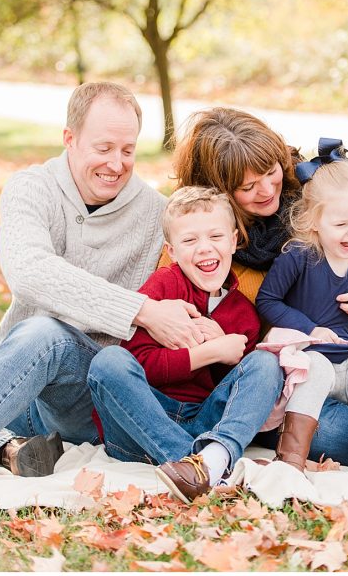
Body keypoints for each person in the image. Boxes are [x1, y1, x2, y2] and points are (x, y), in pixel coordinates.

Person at [171, 108, 348, 466]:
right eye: (248, 186)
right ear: (220, 192)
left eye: (271, 171)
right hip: (283, 370)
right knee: (345, 435)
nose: (267, 189)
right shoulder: (202, 230)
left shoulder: (326, 187)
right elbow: (171, 300)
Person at [0, 82, 205, 476]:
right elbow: (29, 272)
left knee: (45, 336)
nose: (117, 164)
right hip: (22, 388)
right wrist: (142, 310)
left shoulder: (158, 214)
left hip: (89, 397)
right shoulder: (31, 188)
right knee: (33, 341)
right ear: (69, 139)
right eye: (103, 149)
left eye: (128, 150)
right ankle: (6, 446)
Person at [87, 187, 283, 502]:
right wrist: (210, 352)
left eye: (215, 237)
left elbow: (237, 395)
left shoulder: (243, 313)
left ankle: (204, 465)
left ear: (233, 241)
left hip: (205, 420)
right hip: (143, 424)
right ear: (173, 251)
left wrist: (227, 356)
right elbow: (141, 366)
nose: (204, 249)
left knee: (266, 364)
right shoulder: (164, 285)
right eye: (190, 241)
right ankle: (204, 465)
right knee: (108, 362)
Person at [256, 148, 348, 470]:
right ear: (314, 222)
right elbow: (267, 300)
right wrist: (309, 329)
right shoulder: (299, 255)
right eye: (340, 224)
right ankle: (291, 460)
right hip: (308, 358)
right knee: (317, 368)